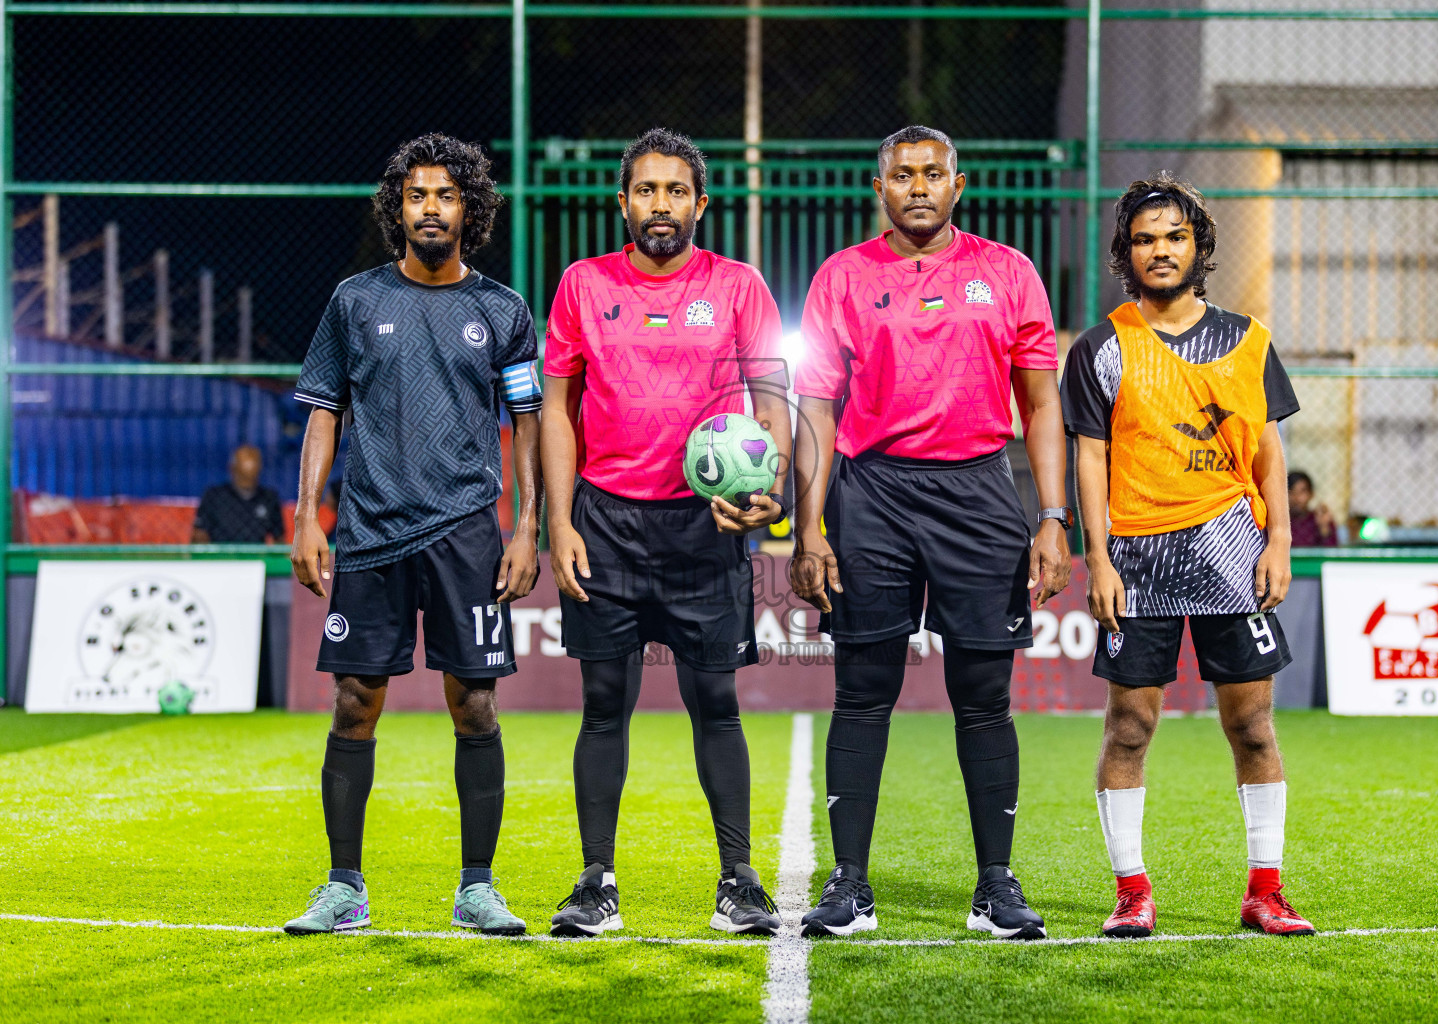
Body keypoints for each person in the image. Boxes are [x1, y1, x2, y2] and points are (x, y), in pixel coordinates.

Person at [791, 125, 1071, 940]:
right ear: (880, 187)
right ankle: (849, 885)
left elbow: (1043, 402)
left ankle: (995, 884)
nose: (918, 186)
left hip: (979, 490)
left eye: (933, 173)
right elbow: (815, 407)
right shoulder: (842, 277)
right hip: (871, 492)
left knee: (984, 698)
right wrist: (808, 528)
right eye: (903, 174)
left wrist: (1053, 517)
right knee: (863, 692)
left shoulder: (1008, 273)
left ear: (958, 182)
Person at [282, 134, 543, 936]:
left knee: (476, 706)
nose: (431, 208)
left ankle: (478, 888)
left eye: (446, 195)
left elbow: (529, 421)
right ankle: (343, 888)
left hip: (467, 530)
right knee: (355, 703)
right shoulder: (355, 301)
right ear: (398, 208)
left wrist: (528, 524)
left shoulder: (500, 310)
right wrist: (306, 516)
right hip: (368, 531)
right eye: (416, 195)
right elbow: (325, 409)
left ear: (470, 208)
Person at [541, 128, 790, 937]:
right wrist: (558, 521)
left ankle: (740, 881)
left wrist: (766, 489)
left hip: (702, 526)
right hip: (605, 522)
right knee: (603, 703)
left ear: (700, 204)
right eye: (646, 191)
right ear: (623, 203)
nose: (660, 205)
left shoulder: (739, 286)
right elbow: (555, 409)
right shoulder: (583, 285)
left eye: (676, 191)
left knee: (714, 700)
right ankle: (595, 881)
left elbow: (772, 403)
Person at [1060, 172, 1314, 939]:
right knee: (1130, 726)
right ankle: (1132, 892)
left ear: (1198, 245)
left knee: (1254, 728)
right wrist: (1096, 558)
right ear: (1126, 253)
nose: (1160, 250)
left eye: (1174, 236)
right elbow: (1091, 461)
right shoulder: (1102, 347)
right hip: (1135, 562)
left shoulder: (1248, 340)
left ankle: (1264, 891)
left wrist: (1279, 539)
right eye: (1144, 240)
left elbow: (1269, 453)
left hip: (1232, 551)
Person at [191, 445, 285, 543]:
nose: (247, 484)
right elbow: (199, 536)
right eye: (243, 477)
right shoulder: (213, 496)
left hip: (255, 557)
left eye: (251, 477)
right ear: (232, 469)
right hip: (220, 557)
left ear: (259, 471)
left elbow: (279, 539)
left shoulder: (269, 498)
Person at [1288, 471, 1338, 547]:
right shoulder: (1280, 522)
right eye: (1292, 492)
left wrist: (1324, 527)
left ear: (1311, 494)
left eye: (1302, 492)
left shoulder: (1319, 520)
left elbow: (1331, 553)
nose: (1296, 498)